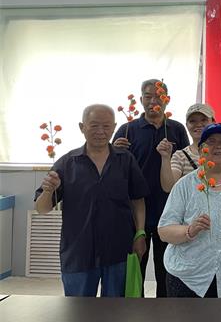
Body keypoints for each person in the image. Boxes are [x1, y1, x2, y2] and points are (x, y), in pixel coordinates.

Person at [35, 104, 149, 297]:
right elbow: (42, 208)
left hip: (119, 249)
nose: (100, 132)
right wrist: (48, 191)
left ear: (114, 127)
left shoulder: (125, 160)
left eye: (106, 126)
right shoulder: (67, 163)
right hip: (78, 252)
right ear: (82, 127)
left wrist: (140, 233)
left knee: (117, 310)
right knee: (78, 310)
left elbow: (138, 200)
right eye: (94, 125)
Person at [158, 123, 221, 298]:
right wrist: (190, 230)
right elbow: (164, 231)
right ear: (201, 149)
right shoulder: (185, 184)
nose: (218, 146)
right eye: (211, 141)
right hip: (189, 278)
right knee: (187, 318)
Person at [112, 78, 189, 297]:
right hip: (137, 211)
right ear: (141, 100)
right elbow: (112, 167)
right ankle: (135, 310)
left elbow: (187, 163)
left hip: (170, 210)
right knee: (136, 264)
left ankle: (165, 310)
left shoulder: (176, 129)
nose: (153, 101)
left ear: (167, 100)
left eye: (158, 96)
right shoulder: (127, 129)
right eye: (148, 96)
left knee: (167, 267)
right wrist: (114, 150)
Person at [157, 103, 216, 192]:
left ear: (213, 122)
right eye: (192, 121)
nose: (198, 124)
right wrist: (165, 157)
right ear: (187, 125)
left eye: (204, 120)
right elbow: (169, 187)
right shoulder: (180, 156)